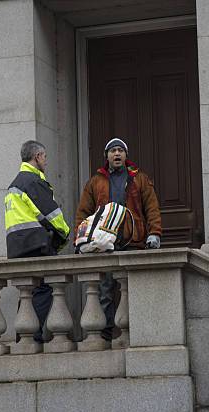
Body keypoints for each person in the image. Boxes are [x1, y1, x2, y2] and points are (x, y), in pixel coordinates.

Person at [75, 137, 162, 342]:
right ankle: (105, 334)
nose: (117, 154)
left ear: (126, 155)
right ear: (106, 156)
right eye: (113, 151)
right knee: (105, 291)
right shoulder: (95, 182)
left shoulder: (139, 178)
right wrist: (79, 241)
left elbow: (152, 208)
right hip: (104, 244)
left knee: (134, 290)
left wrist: (154, 234)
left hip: (133, 242)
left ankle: (138, 334)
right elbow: (83, 213)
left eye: (120, 151)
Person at [5, 140, 71, 342]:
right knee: (43, 288)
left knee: (27, 292)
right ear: (37, 157)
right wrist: (66, 235)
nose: (46, 161)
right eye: (45, 157)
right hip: (36, 244)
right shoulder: (33, 181)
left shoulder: (15, 183)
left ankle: (22, 337)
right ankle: (33, 336)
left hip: (18, 245)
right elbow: (52, 215)